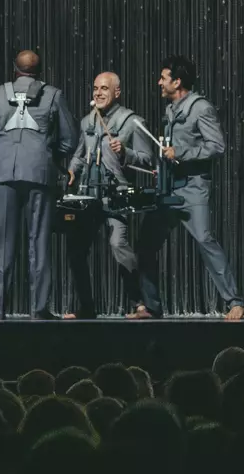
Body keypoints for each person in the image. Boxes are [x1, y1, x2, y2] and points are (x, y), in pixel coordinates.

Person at [129, 55, 244, 321]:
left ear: (177, 82)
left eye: (163, 78)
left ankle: (235, 301)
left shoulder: (200, 108)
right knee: (146, 244)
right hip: (169, 187)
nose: (159, 82)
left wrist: (181, 152)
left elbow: (217, 146)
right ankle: (152, 306)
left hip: (193, 188)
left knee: (205, 240)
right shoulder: (170, 109)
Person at [0, 50, 78, 320]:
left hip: (3, 173)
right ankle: (39, 309)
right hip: (40, 174)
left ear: (14, 69)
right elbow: (70, 140)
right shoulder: (53, 95)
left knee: (2, 243)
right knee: (39, 241)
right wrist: (49, 155)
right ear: (40, 71)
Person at [63, 72, 154, 318]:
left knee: (118, 244)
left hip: (116, 196)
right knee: (77, 251)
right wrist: (72, 170)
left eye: (104, 88)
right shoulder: (86, 122)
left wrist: (126, 152)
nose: (98, 93)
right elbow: (80, 155)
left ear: (117, 93)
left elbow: (147, 160)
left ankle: (139, 304)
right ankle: (86, 306)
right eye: (95, 88)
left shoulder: (131, 121)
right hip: (88, 196)